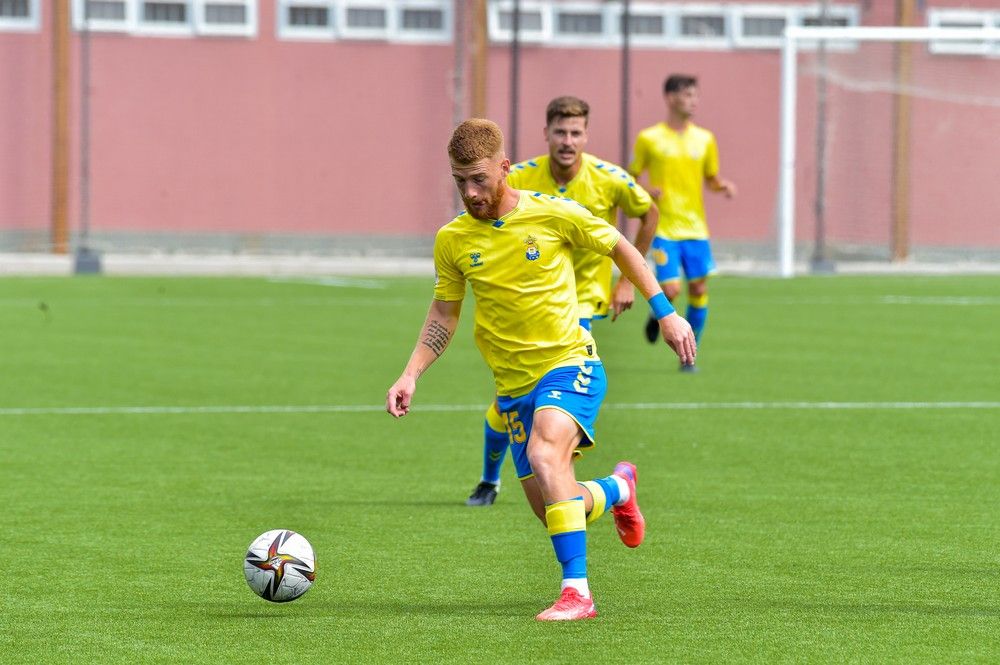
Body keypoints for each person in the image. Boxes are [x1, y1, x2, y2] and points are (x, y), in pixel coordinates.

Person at [386, 119, 696, 621]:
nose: (470, 192)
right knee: (555, 504)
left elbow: (620, 244)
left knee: (545, 452)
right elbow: (444, 312)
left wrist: (666, 313)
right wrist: (411, 374)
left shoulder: (552, 214)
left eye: (479, 179)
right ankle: (618, 488)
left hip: (569, 364)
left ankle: (578, 593)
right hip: (512, 387)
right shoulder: (452, 240)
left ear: (505, 169)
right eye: (460, 180)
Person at [466, 96, 658, 507]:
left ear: (586, 135)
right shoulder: (518, 177)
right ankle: (492, 480)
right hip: (527, 308)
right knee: (506, 403)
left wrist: (626, 281)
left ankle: (556, 480)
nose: (567, 141)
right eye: (560, 132)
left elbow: (649, 212)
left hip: (581, 304)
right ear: (546, 134)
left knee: (548, 425)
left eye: (576, 133)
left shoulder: (610, 179)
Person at [629, 74, 736, 371]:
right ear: (671, 97)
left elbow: (711, 179)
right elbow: (630, 178)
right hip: (664, 227)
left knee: (699, 290)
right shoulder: (649, 138)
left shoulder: (705, 139)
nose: (694, 101)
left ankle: (689, 357)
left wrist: (722, 186)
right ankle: (657, 315)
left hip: (696, 229)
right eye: (688, 95)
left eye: (695, 95)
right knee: (672, 290)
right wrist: (646, 192)